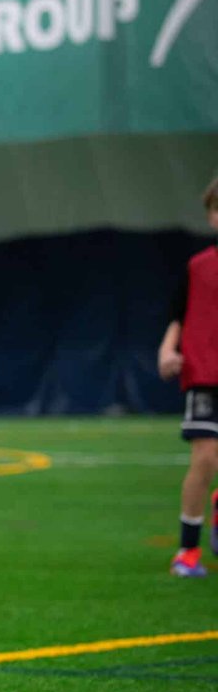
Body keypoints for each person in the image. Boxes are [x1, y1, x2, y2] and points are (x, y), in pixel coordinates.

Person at [157, 176, 218, 577]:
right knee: (206, 457)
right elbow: (179, 314)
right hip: (206, 373)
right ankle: (188, 552)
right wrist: (167, 349)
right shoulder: (199, 267)